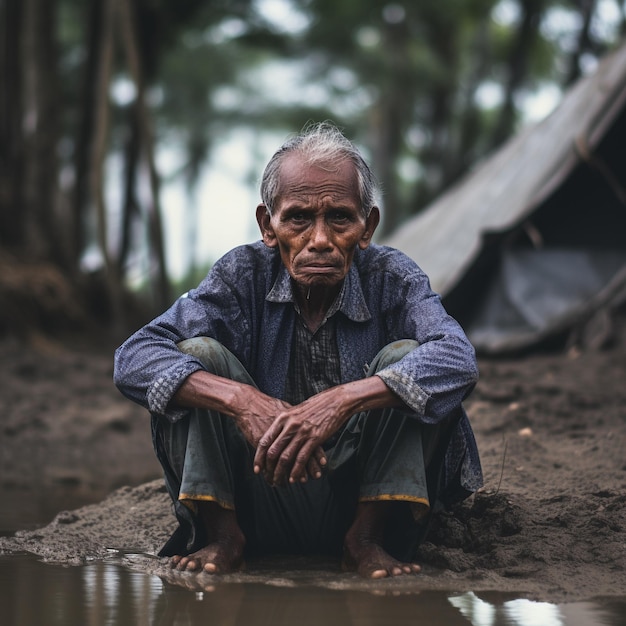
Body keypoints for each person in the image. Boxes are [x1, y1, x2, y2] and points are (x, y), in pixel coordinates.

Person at [114, 122, 482, 579]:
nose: (321, 240)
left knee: (407, 356)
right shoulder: (241, 274)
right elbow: (134, 357)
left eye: (340, 218)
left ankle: (363, 542)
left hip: (363, 500)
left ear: (367, 227)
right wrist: (244, 402)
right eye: (299, 218)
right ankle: (224, 537)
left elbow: (458, 358)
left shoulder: (393, 277)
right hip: (258, 490)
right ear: (269, 226)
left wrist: (343, 400)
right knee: (198, 354)